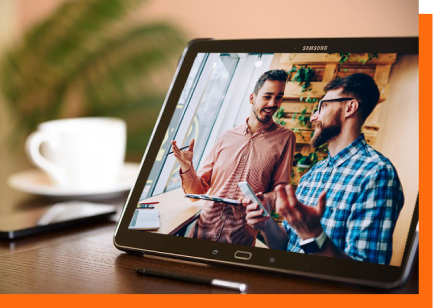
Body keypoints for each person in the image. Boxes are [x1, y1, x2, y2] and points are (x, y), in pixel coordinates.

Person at [244, 73, 404, 265]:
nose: (313, 117)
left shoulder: (377, 175)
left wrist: (313, 236)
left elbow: (367, 273)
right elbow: (285, 245)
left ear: (350, 107)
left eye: (323, 106)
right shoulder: (313, 173)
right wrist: (266, 223)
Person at [170, 69, 296, 246]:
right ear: (252, 98)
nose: (273, 103)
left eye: (279, 97)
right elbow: (196, 193)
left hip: (239, 243)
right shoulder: (226, 137)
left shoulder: (285, 138)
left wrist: (260, 200)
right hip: (200, 236)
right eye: (267, 96)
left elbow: (279, 191)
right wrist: (186, 167)